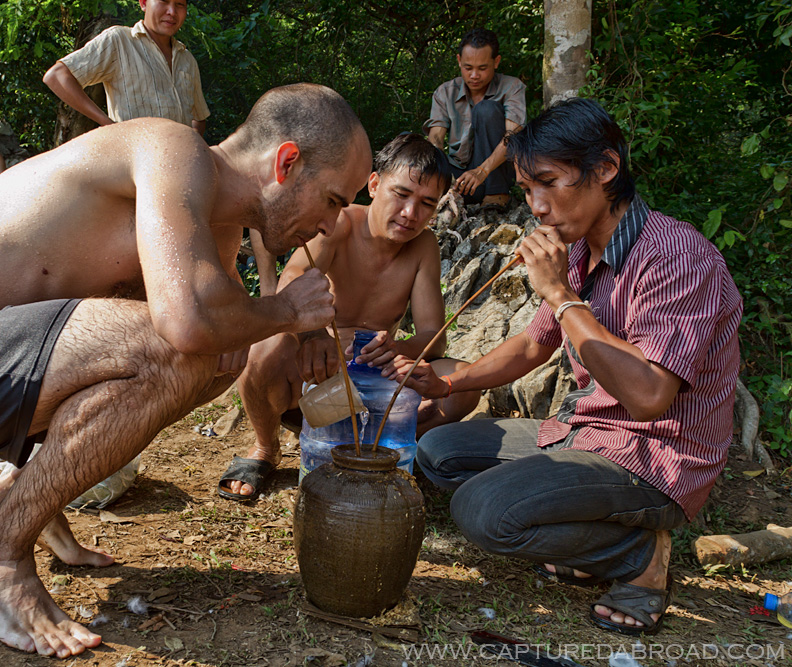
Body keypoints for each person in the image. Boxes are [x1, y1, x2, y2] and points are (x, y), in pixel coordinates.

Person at [0, 84, 371, 657]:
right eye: (333, 199)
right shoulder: (173, 150)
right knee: (184, 344)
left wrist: (293, 324)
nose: (330, 223)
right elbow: (188, 328)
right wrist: (286, 311)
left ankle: (24, 495)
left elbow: (222, 336)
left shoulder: (212, 224)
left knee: (220, 360)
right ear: (287, 161)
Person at [390, 98, 742, 636]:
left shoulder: (678, 256)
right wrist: (447, 381)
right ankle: (587, 532)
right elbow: (533, 346)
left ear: (605, 169)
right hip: (588, 433)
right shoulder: (579, 250)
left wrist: (560, 295)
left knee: (483, 512)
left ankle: (637, 555)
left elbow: (649, 396)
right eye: (527, 189)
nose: (536, 205)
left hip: (658, 454)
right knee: (439, 452)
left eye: (548, 183)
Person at [220, 133, 480, 500]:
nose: (410, 214)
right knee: (263, 349)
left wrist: (396, 347)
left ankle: (387, 450)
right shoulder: (340, 224)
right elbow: (291, 283)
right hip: (320, 376)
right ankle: (265, 448)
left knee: (463, 383)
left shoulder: (424, 247)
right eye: (401, 194)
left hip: (378, 384)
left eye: (426, 204)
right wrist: (315, 336)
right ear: (374, 184)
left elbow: (434, 336)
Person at [43, 0, 209, 136]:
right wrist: (109, 125)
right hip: (132, 166)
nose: (172, 11)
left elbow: (199, 117)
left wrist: (193, 146)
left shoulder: (187, 59)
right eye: (164, 1)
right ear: (144, 3)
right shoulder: (119, 41)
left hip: (177, 168)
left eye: (180, 4)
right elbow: (57, 76)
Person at [424, 28, 526, 207]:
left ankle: (497, 194)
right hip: (460, 176)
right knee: (407, 143)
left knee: (486, 109)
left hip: (493, 173)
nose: (474, 75)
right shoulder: (445, 92)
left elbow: (512, 136)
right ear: (459, 61)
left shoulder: (512, 87)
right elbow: (436, 138)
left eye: (482, 68)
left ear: (496, 62)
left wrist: (481, 171)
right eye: (468, 68)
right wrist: (438, 174)